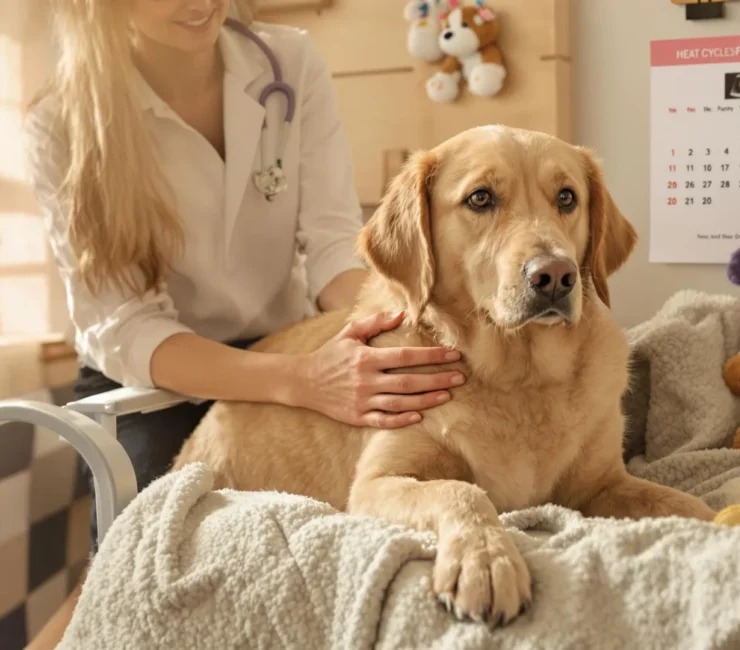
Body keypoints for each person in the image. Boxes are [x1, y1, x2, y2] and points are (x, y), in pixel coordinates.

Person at [23, 0, 466, 555]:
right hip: (148, 378)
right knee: (154, 548)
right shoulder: (60, 126)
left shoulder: (290, 61)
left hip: (287, 346)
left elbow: (332, 244)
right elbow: (127, 325)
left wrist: (403, 328)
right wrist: (301, 380)